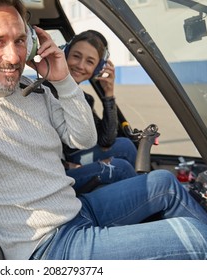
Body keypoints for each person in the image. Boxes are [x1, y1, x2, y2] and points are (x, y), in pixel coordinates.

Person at [0, 0, 207, 260]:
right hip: (47, 248)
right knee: (201, 240)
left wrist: (63, 79)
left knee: (163, 182)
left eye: (20, 40)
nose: (13, 56)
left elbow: (83, 138)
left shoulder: (32, 89)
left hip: (75, 210)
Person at [45, 30, 138, 191]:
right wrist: (66, 165)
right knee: (121, 167)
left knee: (126, 146)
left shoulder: (85, 99)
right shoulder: (45, 92)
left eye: (89, 61)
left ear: (97, 68)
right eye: (76, 56)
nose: (80, 66)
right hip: (58, 168)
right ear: (65, 55)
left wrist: (109, 94)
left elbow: (106, 141)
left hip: (77, 156)